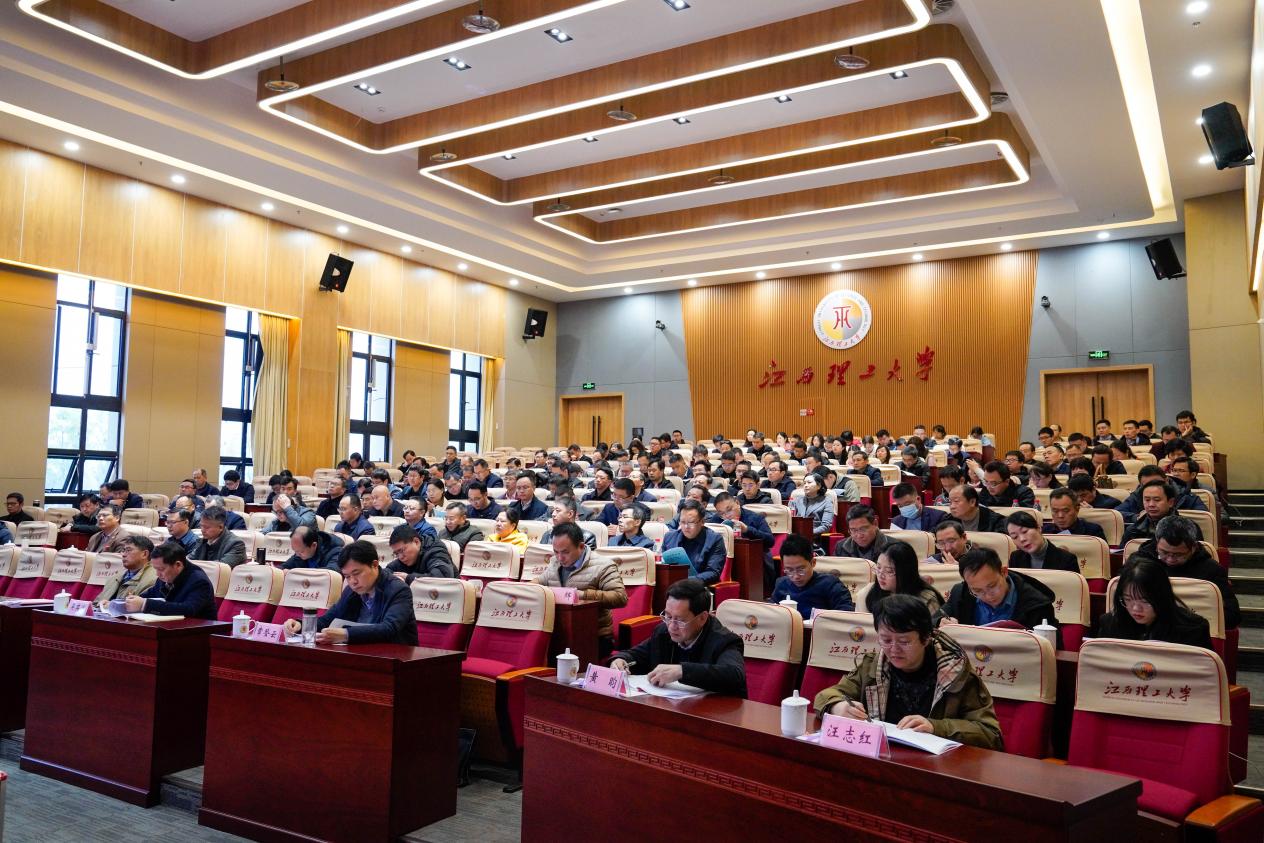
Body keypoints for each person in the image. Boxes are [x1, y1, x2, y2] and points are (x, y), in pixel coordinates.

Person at [813, 595, 1002, 750]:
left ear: (926, 638)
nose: (894, 650)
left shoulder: (955, 673)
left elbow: (990, 734)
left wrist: (936, 727)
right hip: (883, 758)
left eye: (904, 642)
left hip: (936, 768)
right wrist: (838, 707)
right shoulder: (874, 665)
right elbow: (825, 696)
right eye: (886, 640)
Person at [610, 578, 746, 696]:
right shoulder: (662, 632)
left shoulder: (724, 641)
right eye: (668, 616)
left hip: (713, 712)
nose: (671, 626)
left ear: (702, 618)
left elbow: (734, 675)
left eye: (680, 620)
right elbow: (635, 655)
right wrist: (621, 660)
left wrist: (682, 671)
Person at [283, 541, 417, 644]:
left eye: (356, 573)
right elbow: (328, 619)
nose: (353, 581)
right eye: (347, 576)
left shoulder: (398, 590)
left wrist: (346, 634)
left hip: (395, 657)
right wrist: (301, 625)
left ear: (375, 565)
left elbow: (389, 628)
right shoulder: (351, 591)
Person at [1129, 514, 1239, 628]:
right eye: (1164, 553)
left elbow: (1232, 616)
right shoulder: (1139, 563)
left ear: (1194, 547)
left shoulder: (1211, 570)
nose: (1170, 559)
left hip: (1192, 629)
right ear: (1156, 543)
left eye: (1178, 555)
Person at [534, 522, 628, 651]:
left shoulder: (604, 565)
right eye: (556, 552)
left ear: (581, 546)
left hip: (594, 636)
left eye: (565, 552)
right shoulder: (555, 562)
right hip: (559, 631)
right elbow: (541, 581)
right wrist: (527, 589)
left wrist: (583, 595)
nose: (560, 557)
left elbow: (620, 597)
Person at [1096, 556, 1212, 648]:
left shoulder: (1193, 629)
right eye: (1128, 599)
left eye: (1145, 601)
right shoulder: (1109, 625)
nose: (1136, 609)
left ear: (1162, 597)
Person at [943, 547, 1059, 633]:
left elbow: (1052, 648)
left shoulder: (1037, 604)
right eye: (977, 591)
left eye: (992, 586)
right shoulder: (960, 593)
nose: (988, 596)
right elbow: (938, 617)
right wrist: (940, 621)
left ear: (1004, 572)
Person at [768, 534, 853, 620]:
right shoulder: (782, 584)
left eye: (801, 570)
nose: (796, 576)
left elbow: (846, 615)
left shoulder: (830, 584)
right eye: (789, 570)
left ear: (813, 563)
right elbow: (770, 614)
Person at [125, 541, 217, 620]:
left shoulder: (199, 581)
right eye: (155, 569)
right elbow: (150, 595)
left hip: (198, 631)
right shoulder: (165, 576)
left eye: (161, 569)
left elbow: (188, 609)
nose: (157, 574)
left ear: (178, 565)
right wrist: (131, 601)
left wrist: (145, 604)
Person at [863, 540, 944, 616]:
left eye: (889, 571)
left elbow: (934, 626)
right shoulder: (870, 593)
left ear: (905, 572)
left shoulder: (926, 599)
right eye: (878, 567)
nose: (880, 575)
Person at [661, 499, 726, 584]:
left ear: (702, 522)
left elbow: (713, 572)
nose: (686, 527)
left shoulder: (715, 540)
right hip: (670, 585)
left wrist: (686, 582)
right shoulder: (669, 538)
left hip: (699, 587)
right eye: (682, 522)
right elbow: (663, 566)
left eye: (691, 522)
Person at [1121, 481, 1202, 545]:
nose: (1151, 504)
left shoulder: (1188, 528)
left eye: (1157, 500)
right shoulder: (1133, 530)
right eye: (1147, 500)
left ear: (1170, 502)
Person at [1006, 511, 1080, 572]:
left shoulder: (1067, 559)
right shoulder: (1015, 558)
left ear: (1038, 528)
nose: (1022, 539)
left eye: (1025, 531)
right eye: (1015, 537)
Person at [95, 535, 158, 603]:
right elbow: (95, 604)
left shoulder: (153, 580)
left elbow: (139, 607)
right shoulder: (115, 577)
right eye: (123, 550)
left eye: (128, 550)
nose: (123, 555)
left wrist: (110, 606)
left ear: (144, 554)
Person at [386, 524, 455, 583]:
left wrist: (408, 578)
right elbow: (388, 570)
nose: (400, 557)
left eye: (402, 551)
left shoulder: (435, 550)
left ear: (416, 542)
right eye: (396, 553)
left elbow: (443, 577)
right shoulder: (406, 557)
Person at [791, 474, 833, 549]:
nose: (806, 485)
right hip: (795, 538)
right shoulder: (796, 500)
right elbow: (789, 520)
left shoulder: (827, 501)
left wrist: (807, 533)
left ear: (819, 486)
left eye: (809, 482)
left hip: (814, 539)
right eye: (804, 483)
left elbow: (826, 526)